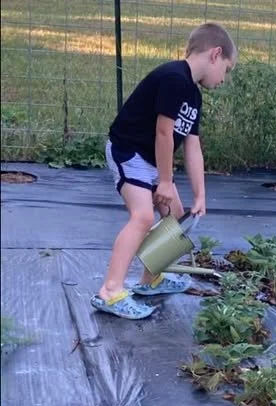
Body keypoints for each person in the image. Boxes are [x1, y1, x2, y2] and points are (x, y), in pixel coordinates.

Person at [91, 22, 237, 319]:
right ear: (215, 54)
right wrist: (166, 182)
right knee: (143, 216)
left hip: (152, 159)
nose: (224, 78)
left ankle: (150, 280)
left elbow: (192, 146)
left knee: (174, 216)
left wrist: (200, 194)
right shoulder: (174, 78)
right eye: (227, 68)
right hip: (128, 152)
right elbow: (163, 133)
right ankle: (110, 291)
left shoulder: (193, 95)